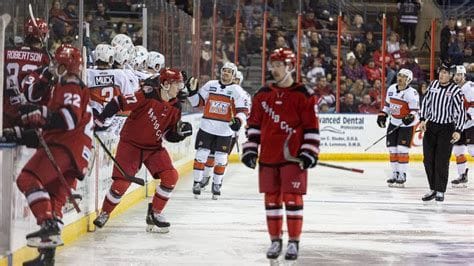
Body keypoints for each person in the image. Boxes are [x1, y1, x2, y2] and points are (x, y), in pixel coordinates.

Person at [2, 44, 92, 265]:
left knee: (27, 178)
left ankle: (47, 224)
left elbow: (68, 120)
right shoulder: (65, 86)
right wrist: (20, 132)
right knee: (53, 201)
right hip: (77, 152)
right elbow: (49, 126)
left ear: (66, 65)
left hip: (66, 146)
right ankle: (47, 257)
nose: (53, 67)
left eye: (57, 63)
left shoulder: (70, 84)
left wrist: (40, 112)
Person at [241, 48, 319, 261]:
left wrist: (309, 152)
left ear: (290, 67)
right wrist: (250, 150)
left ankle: (294, 242)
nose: (274, 69)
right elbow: (253, 126)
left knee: (293, 199)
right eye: (272, 65)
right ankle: (275, 241)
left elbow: (312, 128)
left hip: (293, 159)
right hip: (268, 157)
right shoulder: (262, 94)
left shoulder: (304, 95)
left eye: (279, 65)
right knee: (272, 200)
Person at [92, 68, 192, 232]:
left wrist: (179, 134)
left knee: (170, 176)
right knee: (121, 184)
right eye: (177, 84)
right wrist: (101, 119)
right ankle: (105, 213)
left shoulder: (176, 106)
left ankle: (155, 212)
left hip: (154, 147)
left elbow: (167, 134)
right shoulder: (146, 95)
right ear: (166, 84)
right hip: (131, 144)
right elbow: (118, 102)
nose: (181, 88)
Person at [187, 62, 250, 199]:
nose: (225, 73)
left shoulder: (237, 91)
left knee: (221, 159)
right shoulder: (210, 85)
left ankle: (217, 184)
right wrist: (192, 93)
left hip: (225, 131)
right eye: (224, 70)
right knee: (201, 155)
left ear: (233, 75)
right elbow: (197, 103)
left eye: (229, 71)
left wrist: (238, 121)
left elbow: (243, 111)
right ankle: (197, 182)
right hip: (206, 127)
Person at [419, 63, 466, 202]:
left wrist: (458, 130)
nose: (442, 74)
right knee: (428, 160)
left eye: (445, 73)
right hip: (431, 126)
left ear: (451, 75)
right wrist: (422, 119)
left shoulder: (456, 90)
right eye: (441, 72)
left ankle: (440, 190)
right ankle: (432, 188)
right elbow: (425, 103)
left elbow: (460, 111)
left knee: (441, 161)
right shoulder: (433, 85)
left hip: (447, 128)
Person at [200, 70, 251, 191]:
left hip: (231, 133)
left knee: (222, 157)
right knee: (211, 154)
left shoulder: (243, 95)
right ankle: (206, 176)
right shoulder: (223, 90)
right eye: (235, 80)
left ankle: (218, 179)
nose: (236, 82)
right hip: (218, 128)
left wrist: (240, 122)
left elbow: (246, 113)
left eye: (238, 80)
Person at [3, 18, 50, 128]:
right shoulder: (45, 58)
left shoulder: (6, 52)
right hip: (31, 115)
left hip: (6, 113)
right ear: (42, 35)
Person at [377, 68, 419, 187]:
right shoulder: (391, 89)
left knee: (402, 149)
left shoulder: (412, 93)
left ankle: (402, 174)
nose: (400, 78)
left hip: (406, 126)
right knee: (392, 149)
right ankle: (395, 173)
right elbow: (387, 106)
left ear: (409, 80)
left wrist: (411, 117)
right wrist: (383, 114)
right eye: (399, 75)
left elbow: (416, 112)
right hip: (393, 122)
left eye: (404, 76)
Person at [451, 65, 473, 187]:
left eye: (459, 75)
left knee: (472, 150)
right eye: (455, 75)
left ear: (464, 75)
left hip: (471, 124)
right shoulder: (454, 89)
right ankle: (462, 176)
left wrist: (469, 115)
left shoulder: (469, 87)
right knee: (458, 150)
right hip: (459, 125)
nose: (457, 77)